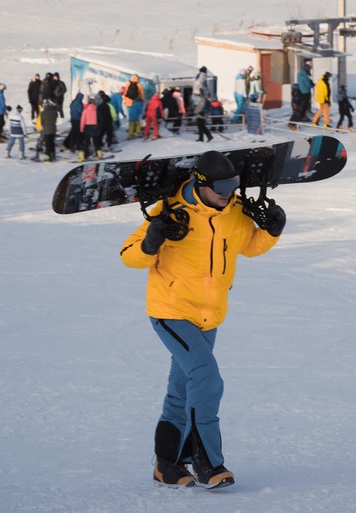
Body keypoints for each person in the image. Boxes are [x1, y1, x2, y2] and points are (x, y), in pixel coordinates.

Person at [119, 150, 286, 489]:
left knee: (181, 391)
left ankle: (167, 465)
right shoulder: (170, 212)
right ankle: (208, 462)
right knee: (207, 378)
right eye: (222, 186)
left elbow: (249, 246)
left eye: (234, 185)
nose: (228, 192)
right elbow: (128, 256)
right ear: (201, 183)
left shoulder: (235, 212)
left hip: (209, 315)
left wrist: (271, 230)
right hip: (171, 311)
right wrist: (151, 241)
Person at [79, 96, 101, 161]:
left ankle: (85, 155)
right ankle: (99, 154)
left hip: (88, 127)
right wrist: (99, 127)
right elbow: (100, 120)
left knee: (86, 143)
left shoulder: (85, 111)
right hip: (95, 127)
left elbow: (83, 120)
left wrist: (81, 129)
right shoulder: (96, 111)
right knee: (96, 142)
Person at [124, 75, 145, 139]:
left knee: (131, 117)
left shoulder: (127, 83)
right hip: (135, 101)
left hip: (128, 103)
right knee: (137, 119)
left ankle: (130, 132)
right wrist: (142, 100)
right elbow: (141, 93)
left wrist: (125, 100)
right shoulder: (139, 84)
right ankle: (137, 132)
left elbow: (125, 93)